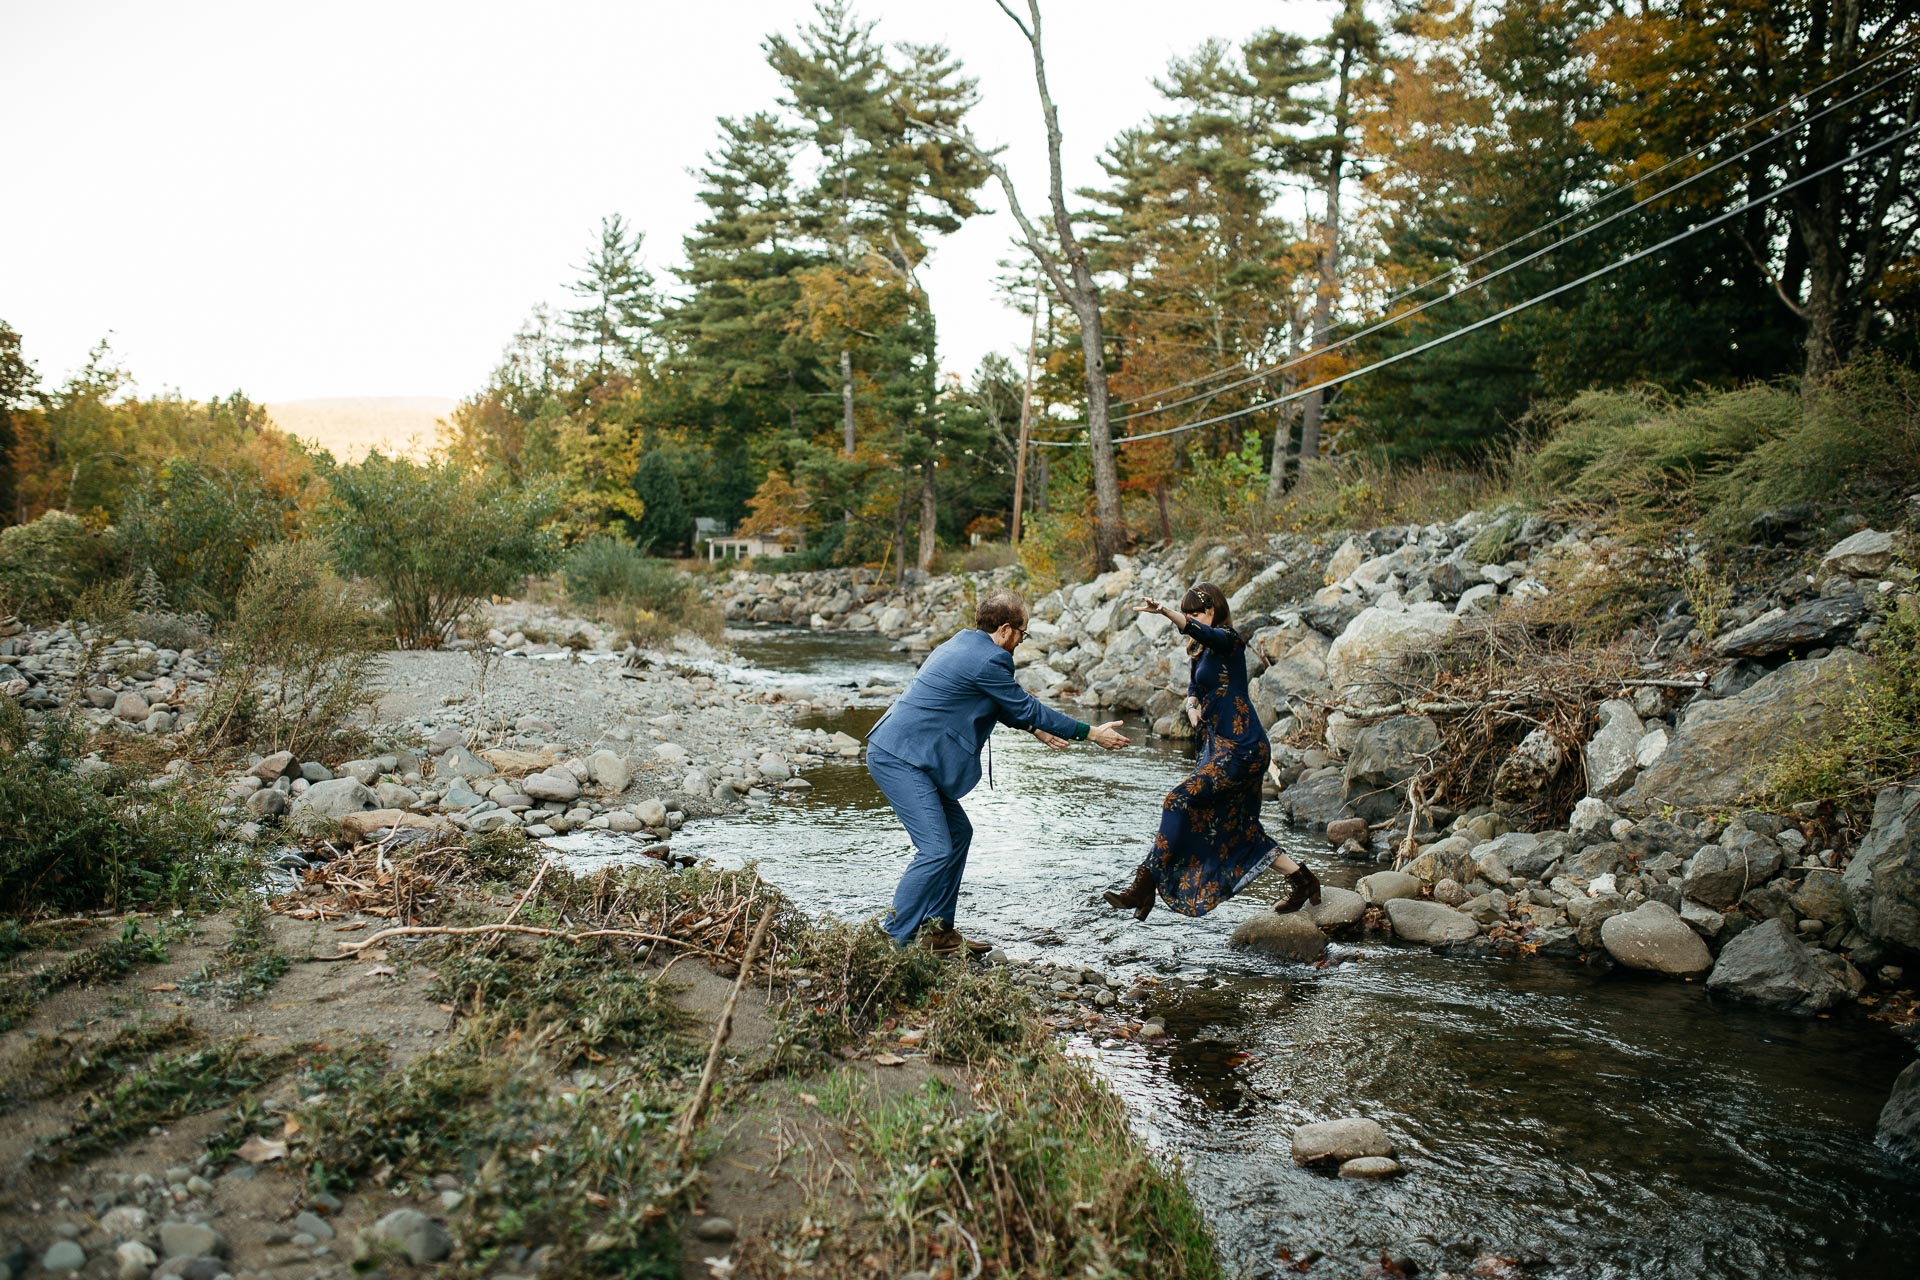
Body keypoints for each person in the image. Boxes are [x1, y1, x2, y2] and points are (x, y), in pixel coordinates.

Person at [867, 588, 1131, 954]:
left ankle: (938, 934)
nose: (1022, 641)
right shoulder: (989, 660)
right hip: (901, 758)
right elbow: (1025, 705)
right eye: (1023, 633)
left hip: (906, 751)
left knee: (958, 833)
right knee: (935, 849)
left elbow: (1000, 701)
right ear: (1006, 630)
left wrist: (1032, 728)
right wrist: (1091, 732)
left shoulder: (964, 644)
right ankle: (888, 945)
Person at [1103, 582, 1320, 921]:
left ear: (1215, 612)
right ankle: (1304, 881)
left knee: (1177, 801)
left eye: (1198, 612)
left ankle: (1144, 885)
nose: (1192, 618)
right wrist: (1191, 706)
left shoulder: (1229, 640)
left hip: (1242, 748)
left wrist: (1165, 612)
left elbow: (1201, 633)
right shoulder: (1200, 651)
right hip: (1219, 747)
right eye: (1187, 611)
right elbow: (1194, 685)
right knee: (1242, 829)